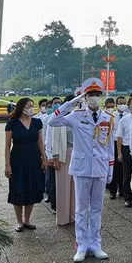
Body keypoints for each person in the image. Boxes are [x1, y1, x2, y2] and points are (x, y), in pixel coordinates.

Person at [48, 78, 115, 262]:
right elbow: (53, 121)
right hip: (82, 167)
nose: (94, 98)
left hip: (100, 167)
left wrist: (111, 169)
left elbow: (110, 146)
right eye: (90, 95)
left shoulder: (108, 118)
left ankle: (95, 243)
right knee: (81, 209)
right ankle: (81, 245)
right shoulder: (76, 116)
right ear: (85, 97)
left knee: (97, 208)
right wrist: (72, 101)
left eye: (96, 95)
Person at [4, 98, 47, 232]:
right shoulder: (12, 123)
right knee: (18, 188)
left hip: (34, 159)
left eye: (33, 106)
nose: (31, 108)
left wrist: (44, 159)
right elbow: (7, 145)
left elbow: (40, 142)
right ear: (22, 107)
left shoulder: (37, 122)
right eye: (29, 106)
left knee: (31, 188)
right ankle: (19, 222)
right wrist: (7, 165)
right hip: (17, 160)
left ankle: (27, 220)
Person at [51, 95, 75, 226]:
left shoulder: (81, 116)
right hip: (63, 154)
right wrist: (55, 157)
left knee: (76, 187)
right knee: (63, 187)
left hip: (78, 154)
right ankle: (63, 218)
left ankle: (75, 216)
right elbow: (55, 138)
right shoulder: (60, 117)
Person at [116, 97, 132, 207]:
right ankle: (128, 197)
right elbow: (119, 137)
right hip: (127, 148)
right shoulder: (124, 120)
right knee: (127, 176)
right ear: (129, 106)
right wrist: (119, 153)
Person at [108, 96, 127, 200]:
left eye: (124, 103)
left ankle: (122, 190)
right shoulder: (112, 116)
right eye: (120, 103)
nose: (122, 105)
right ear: (116, 104)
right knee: (114, 168)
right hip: (114, 143)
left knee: (124, 169)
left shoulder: (128, 116)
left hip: (125, 144)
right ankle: (113, 190)